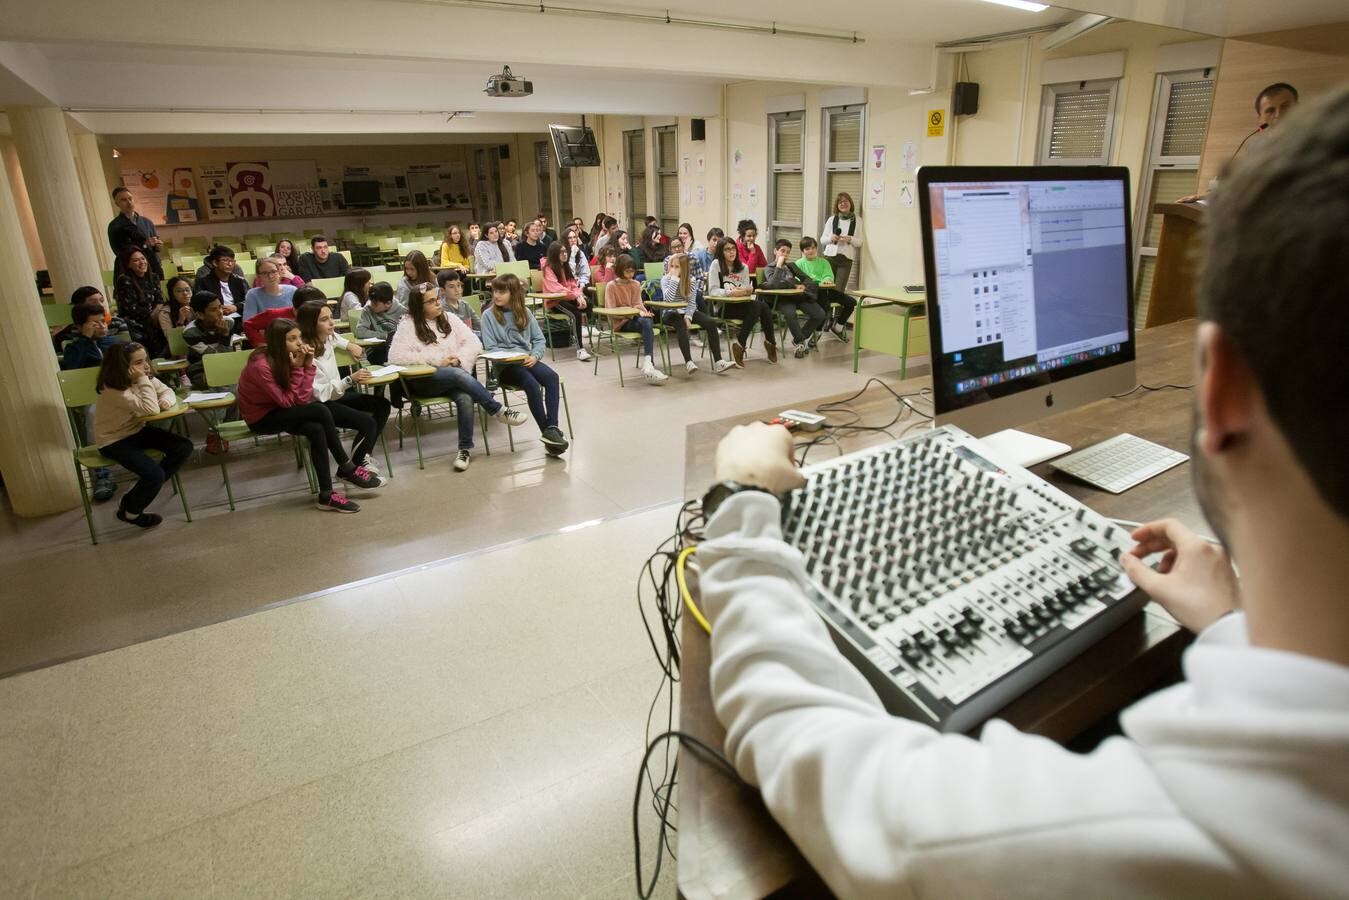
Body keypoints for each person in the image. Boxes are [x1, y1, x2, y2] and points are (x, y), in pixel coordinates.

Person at [693, 91, 1349, 899]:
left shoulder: (1166, 830)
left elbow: (813, 756)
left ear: (1221, 394)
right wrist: (1230, 629)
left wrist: (741, 505)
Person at [237, 317, 380, 513]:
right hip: (262, 418)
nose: (299, 343)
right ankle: (346, 466)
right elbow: (288, 402)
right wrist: (298, 368)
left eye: (299, 337)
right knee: (320, 410)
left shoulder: (291, 356)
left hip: (283, 410)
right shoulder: (261, 366)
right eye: (292, 339)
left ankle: (326, 495)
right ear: (278, 342)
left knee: (316, 428)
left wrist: (308, 365)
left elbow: (301, 399)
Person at [388, 281, 527, 471]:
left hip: (452, 376)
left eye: (437, 298)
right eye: (430, 301)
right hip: (422, 382)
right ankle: (496, 409)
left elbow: (473, 342)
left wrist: (458, 359)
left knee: (465, 397)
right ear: (419, 307)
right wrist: (439, 360)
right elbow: (396, 356)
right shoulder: (407, 325)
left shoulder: (449, 317)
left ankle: (464, 449)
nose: (438, 303)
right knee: (457, 375)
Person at [94, 341, 193, 529]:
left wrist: (164, 399)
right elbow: (151, 409)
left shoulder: (143, 378)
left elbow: (167, 390)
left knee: (183, 446)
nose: (146, 366)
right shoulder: (114, 389)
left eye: (146, 359)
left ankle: (136, 495)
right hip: (114, 441)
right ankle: (131, 512)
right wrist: (143, 381)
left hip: (136, 431)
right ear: (123, 366)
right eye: (138, 362)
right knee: (154, 475)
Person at [295, 300, 390, 482]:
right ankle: (350, 469)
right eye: (325, 319)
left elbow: (337, 338)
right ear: (311, 325)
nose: (332, 323)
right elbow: (320, 394)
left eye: (331, 317)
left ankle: (361, 457)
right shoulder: (306, 353)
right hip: (320, 405)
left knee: (382, 405)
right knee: (367, 423)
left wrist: (350, 345)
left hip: (335, 395)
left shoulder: (327, 337)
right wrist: (349, 380)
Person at [480, 274, 569, 456]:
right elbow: (491, 347)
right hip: (505, 367)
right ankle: (549, 433)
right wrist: (515, 357)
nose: (497, 295)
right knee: (531, 384)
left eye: (502, 291)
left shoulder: (525, 313)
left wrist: (535, 356)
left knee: (552, 377)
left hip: (526, 360)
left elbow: (538, 339)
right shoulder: (488, 316)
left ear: (513, 293)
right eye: (495, 291)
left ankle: (552, 427)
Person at [1181, 83, 1301, 203]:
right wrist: (1203, 197)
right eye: (1270, 110)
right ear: (1260, 119)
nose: (1278, 115)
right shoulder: (1256, 146)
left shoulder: (1314, 144)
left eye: (1285, 106)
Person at [62, 301, 121, 502]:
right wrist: (86, 340)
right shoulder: (74, 349)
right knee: (93, 413)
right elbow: (73, 372)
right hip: (95, 398)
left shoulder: (114, 343)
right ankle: (103, 475)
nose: (102, 327)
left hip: (122, 394)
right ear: (79, 327)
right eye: (94, 324)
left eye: (102, 322)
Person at [657, 252, 733, 377]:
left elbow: (692, 303)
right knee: (681, 325)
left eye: (677, 267)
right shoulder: (665, 279)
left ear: (684, 268)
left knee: (710, 322)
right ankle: (689, 362)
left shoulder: (691, 280)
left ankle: (719, 361)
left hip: (686, 311)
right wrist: (674, 278)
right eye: (672, 266)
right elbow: (668, 300)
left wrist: (688, 316)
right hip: (670, 313)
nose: (674, 269)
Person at [708, 236, 776, 366]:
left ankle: (745, 344)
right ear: (721, 252)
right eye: (727, 249)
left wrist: (747, 290)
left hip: (742, 305)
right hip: (724, 308)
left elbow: (745, 288)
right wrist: (730, 293)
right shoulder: (716, 265)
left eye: (733, 248)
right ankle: (767, 343)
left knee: (763, 306)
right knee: (759, 307)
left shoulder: (743, 267)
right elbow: (713, 291)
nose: (731, 252)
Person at [602, 254, 668, 384]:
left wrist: (644, 312)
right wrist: (636, 313)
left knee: (648, 320)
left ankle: (648, 363)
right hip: (620, 323)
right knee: (646, 323)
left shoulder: (636, 284)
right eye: (627, 270)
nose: (631, 273)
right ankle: (650, 366)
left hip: (635, 319)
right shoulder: (611, 286)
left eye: (632, 270)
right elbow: (611, 312)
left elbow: (637, 303)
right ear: (620, 269)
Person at [762, 238, 826, 357]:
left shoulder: (791, 266)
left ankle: (798, 338)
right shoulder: (769, 268)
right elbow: (773, 285)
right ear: (775, 251)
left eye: (788, 252)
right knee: (790, 314)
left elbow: (807, 279)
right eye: (782, 251)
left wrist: (803, 285)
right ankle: (801, 342)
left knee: (820, 314)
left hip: (797, 297)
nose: (785, 254)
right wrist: (779, 265)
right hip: (782, 299)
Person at [540, 240, 593, 362]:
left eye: (565, 252)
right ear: (554, 254)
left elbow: (573, 284)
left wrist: (580, 296)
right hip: (555, 301)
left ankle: (583, 327)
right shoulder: (548, 268)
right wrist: (575, 297)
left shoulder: (565, 266)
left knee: (588, 302)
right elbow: (556, 289)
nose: (565, 254)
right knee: (576, 314)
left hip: (568, 297)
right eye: (561, 252)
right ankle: (580, 349)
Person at [183, 292, 243, 395]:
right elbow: (214, 358)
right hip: (202, 366)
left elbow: (227, 357)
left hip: (227, 363)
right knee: (222, 386)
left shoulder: (229, 322)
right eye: (213, 310)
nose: (220, 312)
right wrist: (224, 336)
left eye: (220, 307)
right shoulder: (190, 332)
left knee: (239, 386)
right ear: (200, 315)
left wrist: (225, 335)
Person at [797, 235, 855, 341]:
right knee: (825, 306)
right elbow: (797, 279)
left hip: (826, 290)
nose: (811, 251)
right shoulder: (799, 264)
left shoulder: (824, 262)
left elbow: (828, 276)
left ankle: (838, 327)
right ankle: (817, 332)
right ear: (802, 251)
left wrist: (827, 280)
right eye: (807, 249)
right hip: (811, 293)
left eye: (813, 248)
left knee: (851, 302)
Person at [112, 247, 166, 356]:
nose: (141, 262)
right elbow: (132, 309)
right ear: (128, 264)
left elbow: (159, 301)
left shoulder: (153, 277)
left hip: (154, 318)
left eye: (143, 258)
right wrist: (153, 314)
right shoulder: (124, 280)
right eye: (136, 260)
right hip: (136, 322)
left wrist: (156, 313)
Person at [106, 186, 164, 280]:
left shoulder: (146, 221)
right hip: (133, 272)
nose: (129, 203)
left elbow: (157, 246)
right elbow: (119, 252)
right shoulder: (114, 226)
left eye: (130, 198)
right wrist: (144, 245)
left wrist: (158, 244)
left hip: (153, 267)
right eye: (124, 200)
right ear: (117, 204)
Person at [244, 284, 321, 348]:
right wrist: (262, 345)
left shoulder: (317, 318)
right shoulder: (275, 314)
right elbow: (248, 325)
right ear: (298, 310)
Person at [820, 191, 862, 293]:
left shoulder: (857, 220)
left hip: (846, 259)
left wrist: (850, 239)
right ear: (837, 205)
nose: (843, 204)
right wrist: (831, 238)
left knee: (839, 290)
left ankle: (837, 309)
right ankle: (826, 309)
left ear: (850, 203)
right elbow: (822, 240)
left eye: (845, 201)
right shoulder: (832, 219)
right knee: (826, 288)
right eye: (840, 202)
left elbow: (860, 242)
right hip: (830, 258)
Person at [354, 282, 403, 366]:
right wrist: (385, 335)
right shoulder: (367, 310)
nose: (372, 305)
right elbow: (360, 331)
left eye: (375, 304)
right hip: (375, 351)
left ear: (388, 303)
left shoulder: (402, 311)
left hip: (398, 349)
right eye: (371, 301)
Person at [193, 245, 247, 316]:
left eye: (232, 261)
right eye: (225, 260)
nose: (230, 264)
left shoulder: (240, 281)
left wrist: (236, 307)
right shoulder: (203, 282)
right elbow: (198, 305)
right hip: (215, 319)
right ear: (215, 263)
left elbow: (250, 300)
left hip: (240, 317)